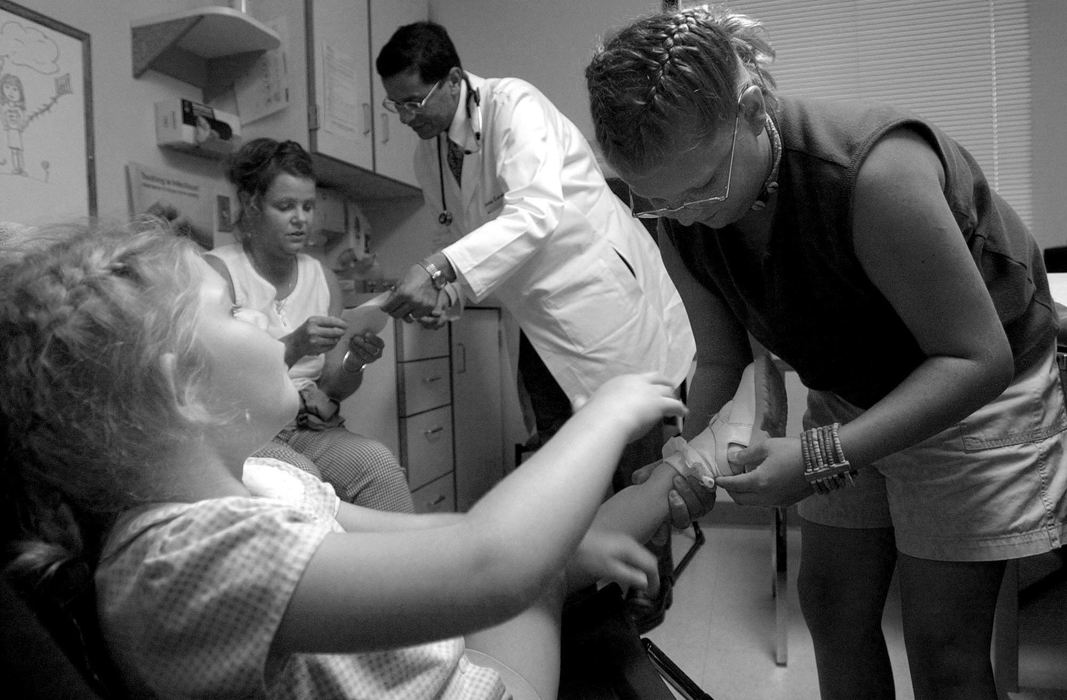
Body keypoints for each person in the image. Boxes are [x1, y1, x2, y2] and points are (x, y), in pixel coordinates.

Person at [0, 221, 701, 698]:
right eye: (233, 311)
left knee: (567, 545)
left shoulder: (265, 480)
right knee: (542, 569)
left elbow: (445, 538)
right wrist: (604, 414)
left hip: (444, 660)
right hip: (480, 686)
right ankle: (684, 466)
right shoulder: (176, 564)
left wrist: (561, 547)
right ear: (184, 386)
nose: (260, 322)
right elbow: (489, 566)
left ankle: (683, 468)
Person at [585, 6, 1067, 700]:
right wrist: (680, 463)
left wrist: (821, 456)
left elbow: (974, 359)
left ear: (752, 109)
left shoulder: (873, 175)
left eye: (699, 188)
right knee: (833, 606)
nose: (686, 214)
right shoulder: (681, 214)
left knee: (944, 642)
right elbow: (722, 361)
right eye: (658, 201)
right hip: (855, 386)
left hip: (976, 391)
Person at [374, 20, 700, 629]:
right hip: (539, 324)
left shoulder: (513, 105)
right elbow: (462, 241)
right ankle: (581, 584)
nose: (405, 117)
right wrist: (443, 294)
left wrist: (438, 267)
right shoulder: (430, 153)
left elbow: (535, 213)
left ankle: (646, 600)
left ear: (453, 79)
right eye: (394, 106)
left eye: (413, 102)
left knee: (639, 457)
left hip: (601, 303)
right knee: (563, 461)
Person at [205, 138, 414, 513]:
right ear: (252, 204)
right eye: (285, 206)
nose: (301, 218)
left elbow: (334, 387)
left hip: (307, 424)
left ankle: (401, 569)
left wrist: (355, 361)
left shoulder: (322, 278)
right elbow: (219, 384)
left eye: (307, 206)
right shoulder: (217, 274)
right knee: (301, 482)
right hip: (246, 430)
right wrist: (294, 345)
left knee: (379, 465)